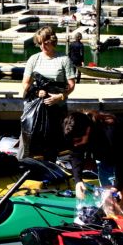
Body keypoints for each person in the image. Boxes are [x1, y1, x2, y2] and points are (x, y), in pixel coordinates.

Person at [62, 110, 123, 214]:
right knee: (107, 201)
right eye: (72, 141)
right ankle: (111, 224)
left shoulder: (110, 130)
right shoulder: (74, 132)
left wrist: (117, 186)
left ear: (88, 130)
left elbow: (122, 162)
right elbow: (76, 154)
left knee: (120, 205)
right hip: (105, 158)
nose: (75, 144)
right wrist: (78, 180)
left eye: (78, 140)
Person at [18, 26, 77, 161]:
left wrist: (60, 96)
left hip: (57, 108)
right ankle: (22, 163)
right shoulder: (34, 59)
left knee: (55, 141)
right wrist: (37, 91)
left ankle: (53, 168)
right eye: (39, 43)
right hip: (35, 106)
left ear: (52, 41)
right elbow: (25, 84)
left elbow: (72, 85)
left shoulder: (64, 59)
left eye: (45, 42)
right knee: (27, 135)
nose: (42, 46)